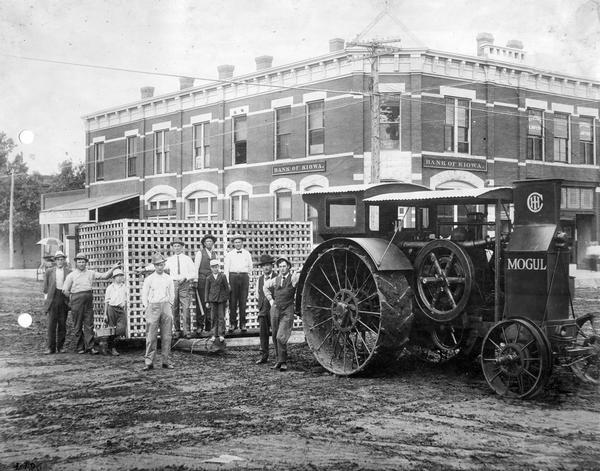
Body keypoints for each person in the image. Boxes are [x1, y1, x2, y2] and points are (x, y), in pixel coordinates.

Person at [62, 253, 121, 354]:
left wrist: (113, 268)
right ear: (76, 263)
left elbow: (104, 276)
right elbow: (65, 290)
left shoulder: (90, 273)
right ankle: (79, 347)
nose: (81, 263)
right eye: (79, 262)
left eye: (83, 262)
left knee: (89, 324)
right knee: (77, 325)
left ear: (86, 263)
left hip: (88, 299)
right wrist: (72, 300)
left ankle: (90, 347)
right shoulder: (71, 275)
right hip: (76, 300)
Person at [263, 256, 300, 372]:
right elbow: (265, 287)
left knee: (281, 336)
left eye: (284, 266)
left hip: (287, 309)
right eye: (280, 267)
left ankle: (283, 361)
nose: (282, 268)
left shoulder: (293, 278)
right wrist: (270, 300)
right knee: (274, 335)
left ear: (288, 267)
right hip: (275, 309)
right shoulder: (276, 280)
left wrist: (299, 270)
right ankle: (278, 360)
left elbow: (302, 273)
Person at [141, 253, 175, 371]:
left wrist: (169, 304)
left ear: (164, 265)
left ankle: (166, 361)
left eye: (161, 264)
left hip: (165, 306)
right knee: (151, 336)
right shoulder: (149, 279)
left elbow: (172, 294)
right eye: (157, 265)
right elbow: (144, 295)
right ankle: (149, 362)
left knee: (167, 336)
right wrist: (147, 306)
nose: (160, 267)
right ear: (154, 266)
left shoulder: (168, 278)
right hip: (153, 306)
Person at [165, 238, 195, 339]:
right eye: (175, 246)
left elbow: (193, 273)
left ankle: (187, 331)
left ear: (182, 247)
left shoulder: (187, 259)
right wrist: (145, 269)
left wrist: (186, 277)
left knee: (186, 308)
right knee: (175, 308)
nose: (177, 248)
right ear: (172, 247)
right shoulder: (170, 260)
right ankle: (177, 330)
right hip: (173, 284)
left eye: (179, 246)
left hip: (184, 284)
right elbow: (161, 267)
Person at [42, 250, 71, 354]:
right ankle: (50, 347)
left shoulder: (68, 272)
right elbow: (45, 288)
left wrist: (69, 297)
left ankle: (61, 347)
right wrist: (46, 302)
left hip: (63, 299)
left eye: (62, 259)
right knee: (51, 325)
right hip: (52, 299)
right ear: (55, 260)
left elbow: (71, 287)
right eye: (58, 259)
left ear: (64, 260)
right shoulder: (49, 271)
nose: (60, 261)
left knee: (62, 324)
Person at [224, 234, 253, 333]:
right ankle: (233, 324)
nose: (238, 244)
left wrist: (248, 277)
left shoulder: (247, 253)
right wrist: (228, 282)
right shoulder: (229, 254)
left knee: (243, 301)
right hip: (233, 277)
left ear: (242, 243)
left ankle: (243, 324)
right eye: (236, 242)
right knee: (232, 301)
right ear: (233, 244)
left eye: (239, 242)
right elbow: (226, 269)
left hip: (244, 277)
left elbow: (250, 267)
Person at [254, 254, 277, 364]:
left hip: (274, 310)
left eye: (268, 265)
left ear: (272, 266)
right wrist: (261, 306)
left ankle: (279, 357)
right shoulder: (260, 279)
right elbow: (257, 295)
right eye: (264, 266)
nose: (266, 268)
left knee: (276, 334)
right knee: (263, 334)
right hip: (263, 310)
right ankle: (264, 356)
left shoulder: (277, 277)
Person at [194, 234, 217, 335]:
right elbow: (196, 267)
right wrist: (195, 280)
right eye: (207, 241)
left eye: (211, 241)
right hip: (202, 280)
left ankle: (209, 326)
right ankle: (199, 326)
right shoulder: (200, 253)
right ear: (204, 243)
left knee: (210, 303)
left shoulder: (214, 254)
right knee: (201, 304)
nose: (209, 243)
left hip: (211, 281)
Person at [102, 268, 128, 356]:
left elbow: (127, 298)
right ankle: (112, 348)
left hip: (120, 309)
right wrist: (105, 314)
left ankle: (108, 344)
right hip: (111, 308)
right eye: (118, 276)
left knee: (121, 328)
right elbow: (106, 301)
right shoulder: (110, 288)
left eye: (121, 276)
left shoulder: (125, 287)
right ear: (114, 278)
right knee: (111, 328)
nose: (120, 278)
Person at [204, 259, 230, 342]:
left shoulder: (223, 276)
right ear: (211, 268)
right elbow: (206, 290)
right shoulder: (209, 278)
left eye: (216, 267)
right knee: (213, 317)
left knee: (221, 317)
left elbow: (227, 289)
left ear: (219, 267)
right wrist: (207, 301)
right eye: (213, 267)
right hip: (212, 300)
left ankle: (221, 334)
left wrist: (227, 299)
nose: (215, 269)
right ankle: (214, 334)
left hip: (221, 300)